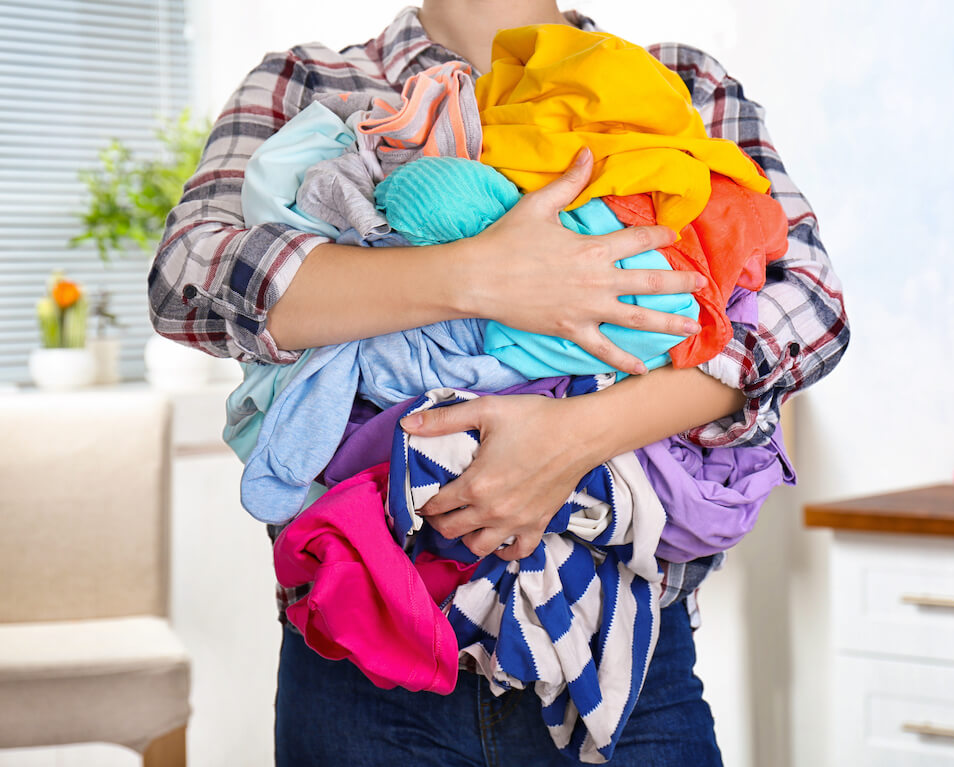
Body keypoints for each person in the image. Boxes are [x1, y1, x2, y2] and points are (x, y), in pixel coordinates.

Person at [150, 2, 849, 764]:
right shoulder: (308, 80)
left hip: (631, 667)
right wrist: (479, 277)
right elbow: (187, 278)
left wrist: (577, 439)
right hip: (364, 677)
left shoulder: (684, 80)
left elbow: (808, 305)